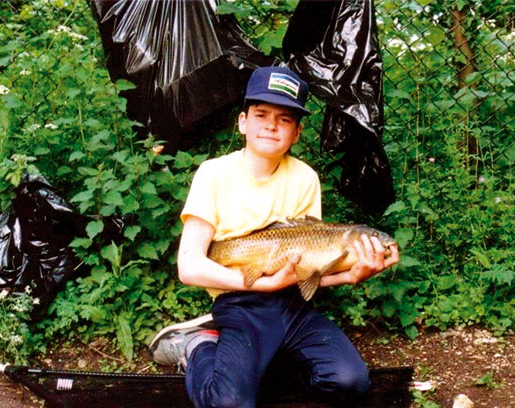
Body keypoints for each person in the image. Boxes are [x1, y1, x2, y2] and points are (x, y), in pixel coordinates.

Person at [149, 66, 399, 408]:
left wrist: (350, 275)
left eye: (284, 119)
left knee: (350, 381)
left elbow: (304, 274)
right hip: (239, 303)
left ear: (297, 133)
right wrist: (259, 285)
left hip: (293, 305)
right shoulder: (214, 174)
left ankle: (258, 361)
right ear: (243, 122)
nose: (270, 124)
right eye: (261, 114)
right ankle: (197, 347)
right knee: (230, 404)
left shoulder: (304, 178)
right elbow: (189, 267)